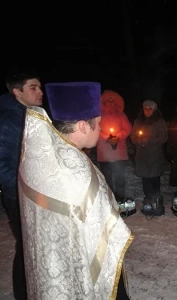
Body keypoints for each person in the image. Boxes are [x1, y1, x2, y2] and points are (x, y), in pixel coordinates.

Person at [17, 82, 133, 299]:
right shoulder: (76, 171)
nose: (100, 129)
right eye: (97, 124)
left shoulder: (42, 154)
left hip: (50, 267)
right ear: (82, 126)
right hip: (79, 270)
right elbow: (106, 234)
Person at [0, 70, 43, 300]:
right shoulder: (7, 121)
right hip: (20, 197)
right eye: (33, 88)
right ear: (17, 92)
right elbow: (3, 167)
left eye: (40, 86)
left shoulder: (33, 114)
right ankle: (23, 294)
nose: (40, 92)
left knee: (35, 247)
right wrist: (24, 189)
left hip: (36, 194)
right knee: (27, 249)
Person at [97, 90, 132, 202]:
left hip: (119, 153)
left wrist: (118, 137)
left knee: (120, 177)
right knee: (107, 178)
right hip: (104, 153)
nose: (110, 103)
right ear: (104, 102)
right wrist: (107, 138)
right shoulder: (99, 115)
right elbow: (95, 129)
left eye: (112, 101)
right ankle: (109, 200)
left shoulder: (121, 114)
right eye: (108, 101)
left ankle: (121, 198)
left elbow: (128, 128)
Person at [130, 100, 168, 202]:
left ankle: (156, 197)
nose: (147, 111)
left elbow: (164, 137)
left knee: (154, 177)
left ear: (154, 110)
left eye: (150, 109)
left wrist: (150, 140)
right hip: (142, 154)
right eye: (145, 108)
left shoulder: (159, 122)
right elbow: (133, 136)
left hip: (154, 154)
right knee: (145, 177)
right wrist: (139, 140)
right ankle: (147, 196)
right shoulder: (138, 121)